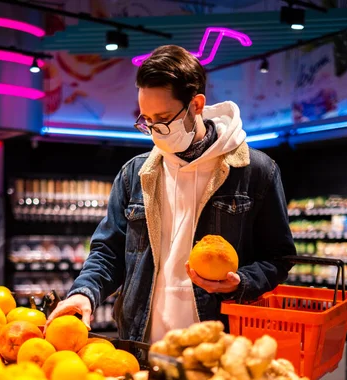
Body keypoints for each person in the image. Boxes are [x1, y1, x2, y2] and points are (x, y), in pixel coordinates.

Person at [46, 45, 296, 342]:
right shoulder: (134, 174)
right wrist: (85, 293)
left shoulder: (256, 171)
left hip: (220, 347)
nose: (154, 131)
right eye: (146, 121)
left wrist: (241, 281)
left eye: (163, 119)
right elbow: (108, 252)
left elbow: (279, 258)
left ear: (196, 105)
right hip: (140, 343)